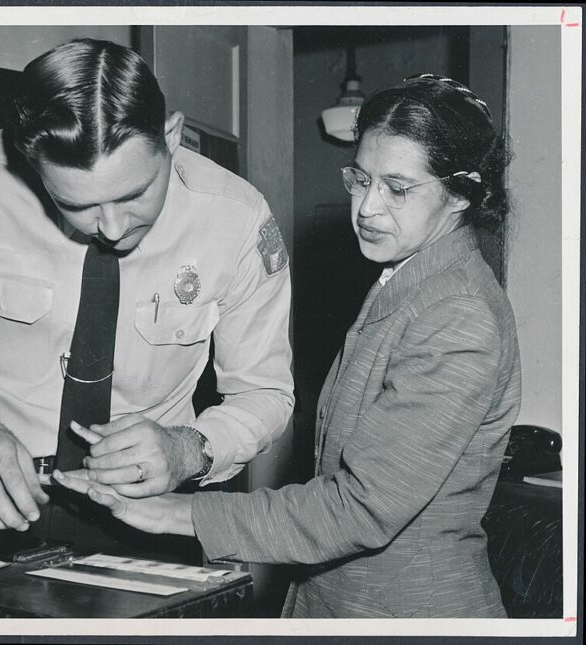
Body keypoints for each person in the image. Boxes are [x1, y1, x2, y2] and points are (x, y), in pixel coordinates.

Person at [56, 74, 522, 617]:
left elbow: (362, 508)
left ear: (460, 195)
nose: (367, 208)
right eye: (361, 179)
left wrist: (173, 513)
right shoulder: (412, 279)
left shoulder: (457, 314)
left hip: (408, 610)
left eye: (397, 188)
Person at [0, 38, 294, 553]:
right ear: (29, 161)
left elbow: (266, 393)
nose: (112, 227)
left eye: (134, 194)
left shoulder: (236, 219)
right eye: (75, 204)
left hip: (154, 517)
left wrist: (189, 448)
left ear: (171, 136)